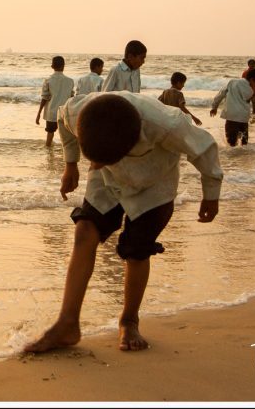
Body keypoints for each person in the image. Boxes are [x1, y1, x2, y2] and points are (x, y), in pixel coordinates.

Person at [24, 92, 222, 354]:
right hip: (105, 181)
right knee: (85, 232)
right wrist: (71, 163)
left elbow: (205, 148)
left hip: (155, 182)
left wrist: (211, 195)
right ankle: (67, 323)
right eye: (91, 158)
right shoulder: (77, 110)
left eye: (100, 159)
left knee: (137, 248)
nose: (93, 164)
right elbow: (61, 119)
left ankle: (129, 321)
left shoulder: (167, 124)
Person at [210, 69, 255, 146]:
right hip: (243, 118)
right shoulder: (250, 90)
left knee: (231, 144)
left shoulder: (232, 82)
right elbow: (249, 98)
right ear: (252, 79)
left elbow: (220, 94)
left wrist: (214, 107)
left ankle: (232, 158)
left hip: (232, 117)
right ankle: (244, 157)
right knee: (244, 143)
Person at [36, 56, 75, 147]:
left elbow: (44, 98)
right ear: (63, 66)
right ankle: (65, 155)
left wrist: (38, 114)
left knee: (50, 134)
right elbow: (71, 97)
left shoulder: (48, 80)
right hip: (65, 112)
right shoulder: (70, 81)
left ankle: (49, 154)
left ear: (52, 66)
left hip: (52, 113)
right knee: (66, 137)